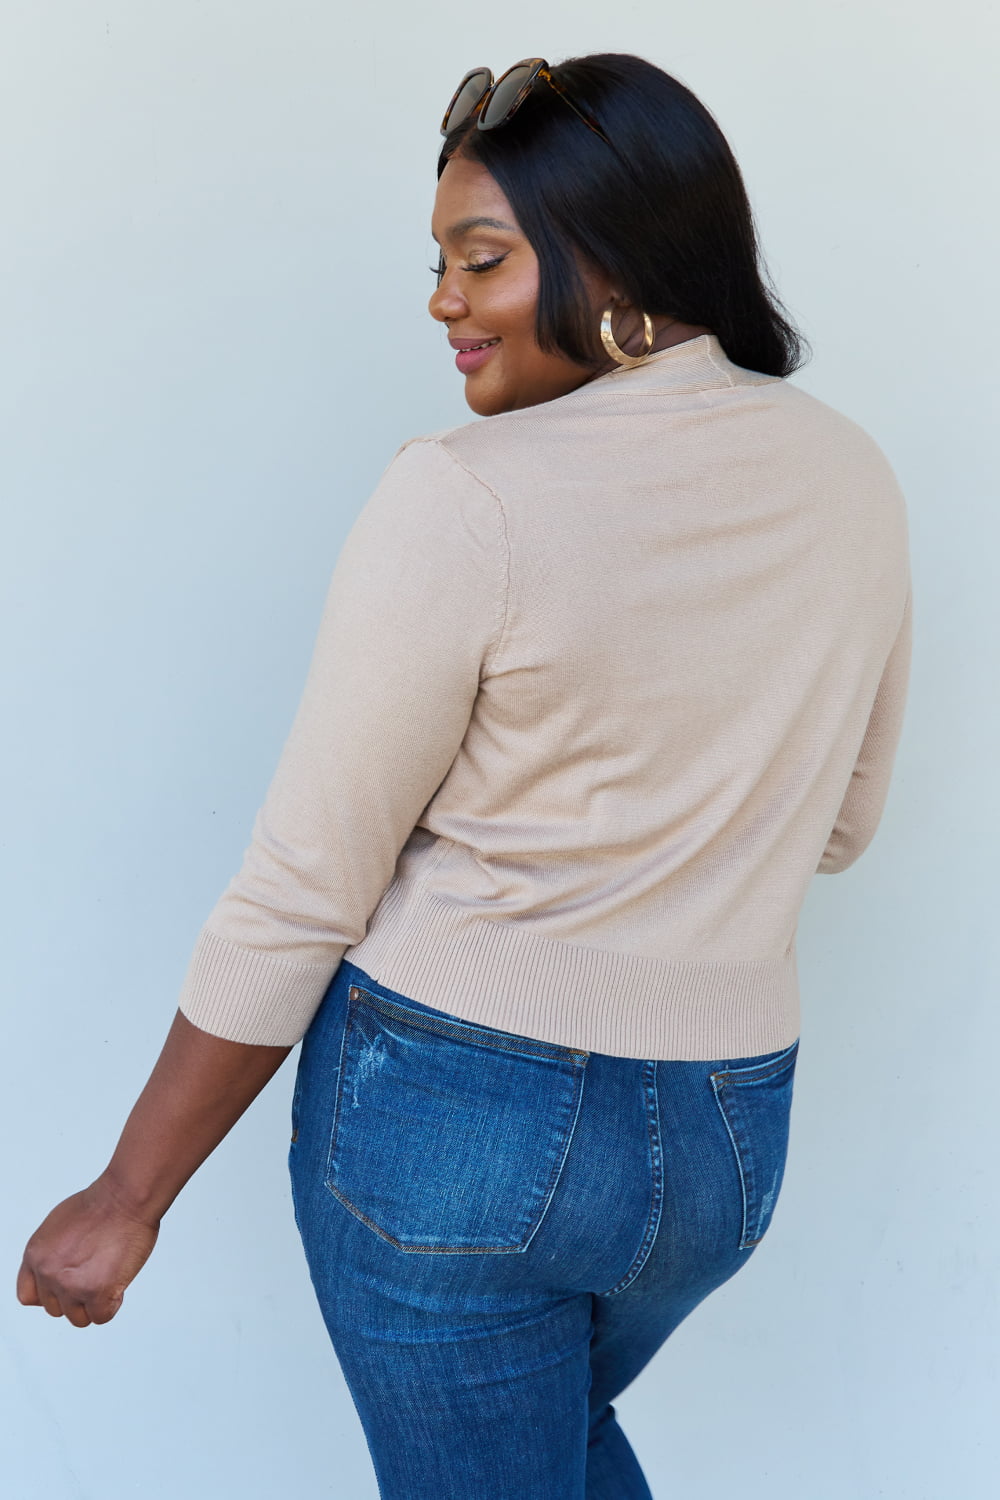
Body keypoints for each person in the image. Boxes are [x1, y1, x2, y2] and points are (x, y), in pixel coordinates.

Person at [17, 52, 912, 1500]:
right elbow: (845, 825)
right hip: (731, 1139)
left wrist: (129, 1198)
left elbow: (310, 885)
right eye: (439, 262)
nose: (443, 300)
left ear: (614, 261)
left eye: (480, 259)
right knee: (541, 1457)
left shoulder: (464, 496)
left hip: (458, 1133)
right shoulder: (851, 475)